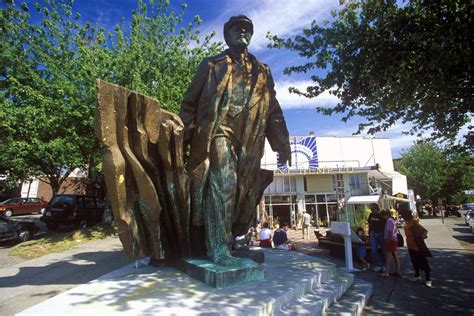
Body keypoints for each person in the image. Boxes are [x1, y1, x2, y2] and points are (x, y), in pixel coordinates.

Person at [179, 15, 291, 265]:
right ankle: (217, 248)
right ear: (227, 35)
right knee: (224, 184)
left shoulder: (263, 70)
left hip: (250, 138)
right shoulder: (212, 65)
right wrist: (180, 138)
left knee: (244, 192)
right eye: (237, 28)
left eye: (247, 28)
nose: (243, 31)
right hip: (219, 131)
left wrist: (282, 144)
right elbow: (189, 104)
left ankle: (228, 239)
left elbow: (273, 110)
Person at [402, 211, 432, 287]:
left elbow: (424, 231)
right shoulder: (408, 223)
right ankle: (417, 275)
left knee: (423, 261)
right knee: (415, 262)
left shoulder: (413, 223)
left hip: (417, 245)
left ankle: (428, 279)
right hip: (410, 245)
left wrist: (420, 238)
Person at [378, 210, 401, 277]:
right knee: (395, 255)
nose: (383, 217)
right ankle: (398, 270)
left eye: (383, 215)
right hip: (393, 239)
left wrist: (387, 240)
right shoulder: (391, 220)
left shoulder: (389, 221)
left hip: (390, 240)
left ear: (386, 215)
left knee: (388, 256)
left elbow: (390, 231)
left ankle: (386, 272)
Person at [368, 203, 386, 272]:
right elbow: (369, 224)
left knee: (383, 250)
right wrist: (369, 232)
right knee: (373, 250)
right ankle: (378, 265)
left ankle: (384, 265)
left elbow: (385, 225)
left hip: (381, 233)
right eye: (371, 209)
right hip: (374, 233)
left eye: (373, 209)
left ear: (376, 208)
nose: (372, 210)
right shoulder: (371, 215)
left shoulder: (381, 215)